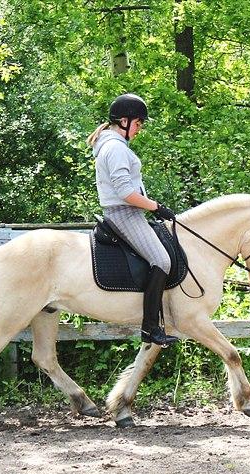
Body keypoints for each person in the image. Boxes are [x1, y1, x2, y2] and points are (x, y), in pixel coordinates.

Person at [86, 93, 179, 346]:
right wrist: (156, 207)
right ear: (124, 122)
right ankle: (150, 328)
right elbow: (126, 193)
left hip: (129, 211)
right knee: (162, 260)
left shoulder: (114, 145)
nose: (139, 129)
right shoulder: (115, 147)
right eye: (138, 123)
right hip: (124, 213)